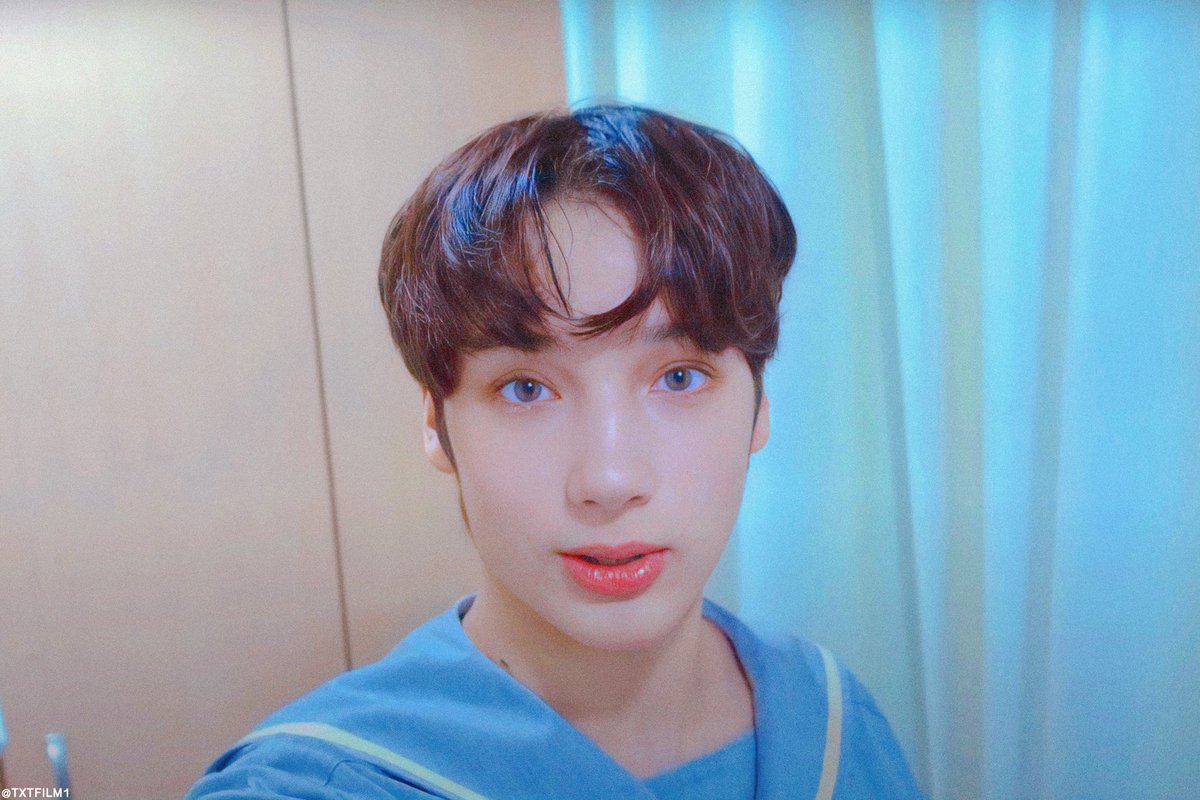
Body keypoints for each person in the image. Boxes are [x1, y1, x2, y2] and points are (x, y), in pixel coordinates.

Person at [186, 104, 925, 799]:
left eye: (679, 377)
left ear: (759, 407)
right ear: (436, 423)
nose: (610, 479)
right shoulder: (318, 783)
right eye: (526, 389)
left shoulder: (831, 720)